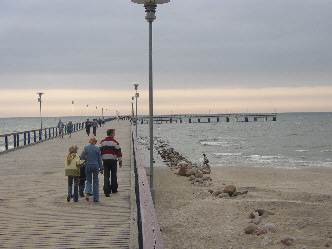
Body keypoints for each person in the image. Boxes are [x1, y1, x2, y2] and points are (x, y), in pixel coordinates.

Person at [99, 129, 122, 196]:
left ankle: (106, 191)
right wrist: (120, 161)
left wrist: (100, 160)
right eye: (114, 133)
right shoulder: (115, 143)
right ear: (111, 134)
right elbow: (119, 153)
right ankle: (114, 189)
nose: (114, 134)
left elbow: (99, 152)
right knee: (113, 175)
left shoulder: (102, 142)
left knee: (106, 176)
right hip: (113, 160)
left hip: (105, 160)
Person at [80, 137, 103, 202]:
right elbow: (99, 159)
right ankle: (96, 198)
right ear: (95, 142)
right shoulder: (97, 149)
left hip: (88, 165)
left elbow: (82, 157)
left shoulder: (86, 148)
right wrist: (101, 168)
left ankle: (87, 192)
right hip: (95, 165)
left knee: (88, 180)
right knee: (96, 181)